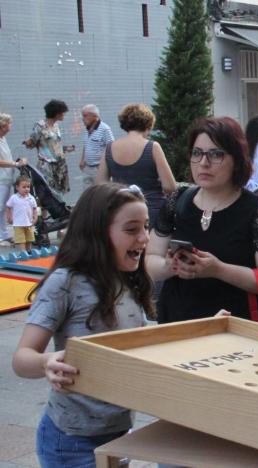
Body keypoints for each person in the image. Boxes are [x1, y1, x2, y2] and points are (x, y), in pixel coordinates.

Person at [11, 183, 154, 467]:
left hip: (118, 434)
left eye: (146, 227)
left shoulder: (127, 279)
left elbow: (146, 339)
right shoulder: (65, 282)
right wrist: (46, 361)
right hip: (71, 443)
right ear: (98, 233)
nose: (144, 238)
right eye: (131, 230)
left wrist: (204, 332)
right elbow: (21, 358)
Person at [146, 117, 258, 323]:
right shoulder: (177, 201)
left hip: (236, 326)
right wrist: (172, 266)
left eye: (215, 154)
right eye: (197, 153)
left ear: (237, 159)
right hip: (179, 322)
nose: (204, 163)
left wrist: (218, 270)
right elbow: (150, 259)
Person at [97, 104, 177, 226]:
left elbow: (100, 186)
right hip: (152, 211)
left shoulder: (109, 149)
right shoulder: (153, 147)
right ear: (148, 125)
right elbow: (170, 186)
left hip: (121, 210)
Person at [24, 99, 74, 194]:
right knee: (47, 192)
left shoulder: (56, 126)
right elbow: (31, 143)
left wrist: (65, 149)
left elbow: (54, 144)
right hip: (46, 164)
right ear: (57, 113)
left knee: (59, 192)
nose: (64, 115)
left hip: (59, 163)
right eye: (63, 112)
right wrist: (28, 142)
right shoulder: (40, 126)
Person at [0, 113, 28, 244]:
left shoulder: (3, 138)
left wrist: (16, 162)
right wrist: (15, 164)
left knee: (4, 206)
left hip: (6, 178)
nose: (10, 126)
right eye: (9, 124)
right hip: (1, 179)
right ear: (3, 125)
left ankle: (4, 233)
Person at [80, 104, 114, 192]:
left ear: (95, 116)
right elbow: (86, 144)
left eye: (85, 115)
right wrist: (82, 159)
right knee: (87, 193)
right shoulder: (87, 129)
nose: (82, 118)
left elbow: (111, 147)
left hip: (98, 168)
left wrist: (104, 165)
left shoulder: (105, 129)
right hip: (87, 167)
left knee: (101, 192)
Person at [6, 176, 38, 252]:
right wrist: (9, 217)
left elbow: (34, 208)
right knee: (21, 239)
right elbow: (8, 207)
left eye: (28, 187)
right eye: (24, 187)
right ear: (17, 187)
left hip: (29, 223)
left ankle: (29, 250)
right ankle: (23, 252)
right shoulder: (14, 198)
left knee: (29, 238)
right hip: (18, 223)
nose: (26, 189)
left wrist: (35, 217)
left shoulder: (31, 198)